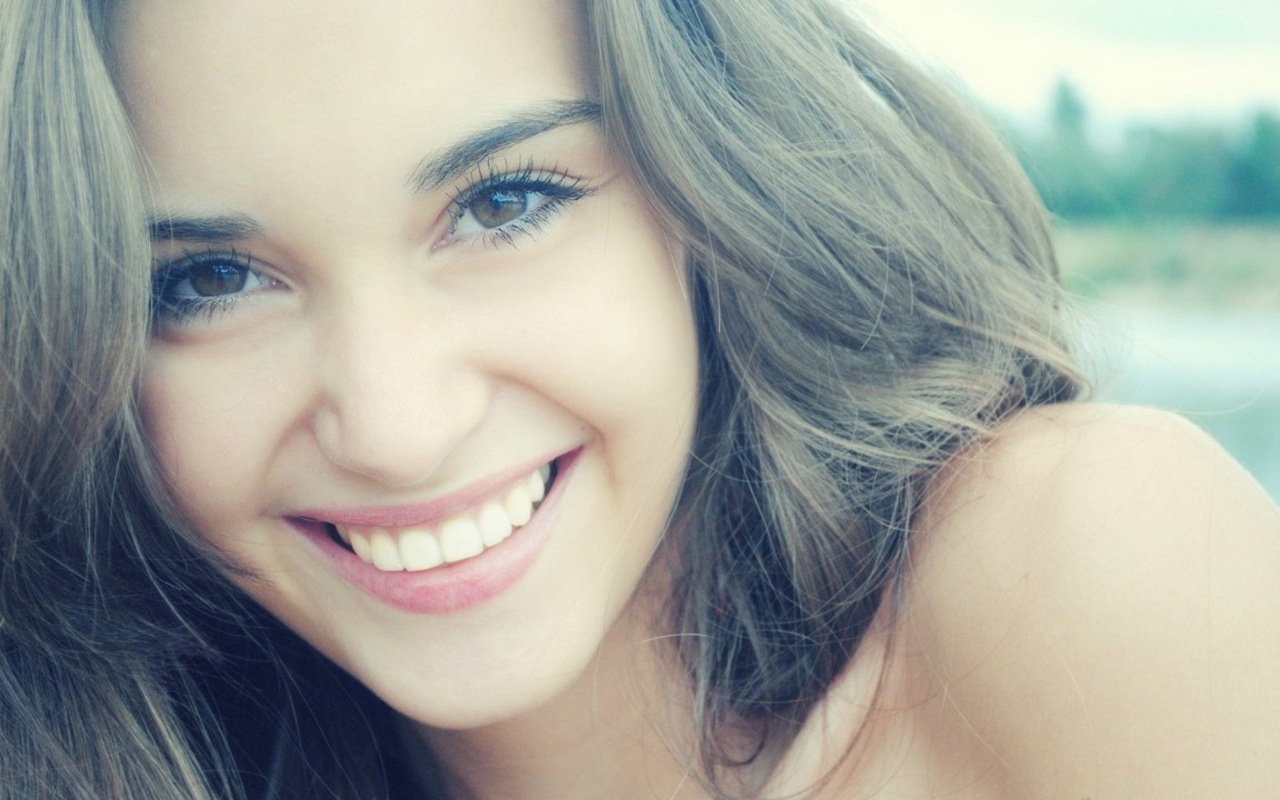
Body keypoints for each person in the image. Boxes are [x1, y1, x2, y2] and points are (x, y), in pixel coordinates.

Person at [4, 0, 1278, 798]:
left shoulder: (1086, 565)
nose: (395, 429)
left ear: (706, 189)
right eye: (210, 280)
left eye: (503, 203)